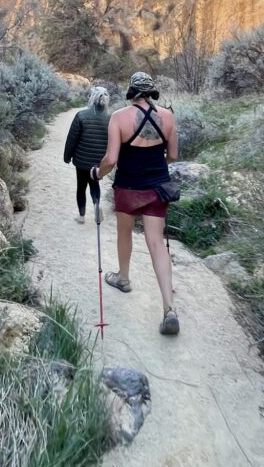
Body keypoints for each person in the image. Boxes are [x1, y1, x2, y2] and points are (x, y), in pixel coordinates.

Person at [91, 71, 180, 336]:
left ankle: (124, 278)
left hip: (128, 187)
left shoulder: (118, 118)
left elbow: (110, 160)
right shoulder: (168, 117)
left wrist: (97, 174)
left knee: (124, 233)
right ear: (152, 91)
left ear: (131, 92)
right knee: (156, 242)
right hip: (157, 188)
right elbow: (173, 155)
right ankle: (169, 308)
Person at [63, 85, 110, 224]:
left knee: (81, 187)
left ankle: (82, 216)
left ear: (91, 98)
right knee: (94, 184)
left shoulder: (81, 115)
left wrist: (67, 156)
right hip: (98, 162)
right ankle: (96, 205)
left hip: (82, 161)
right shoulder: (110, 118)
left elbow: (72, 138)